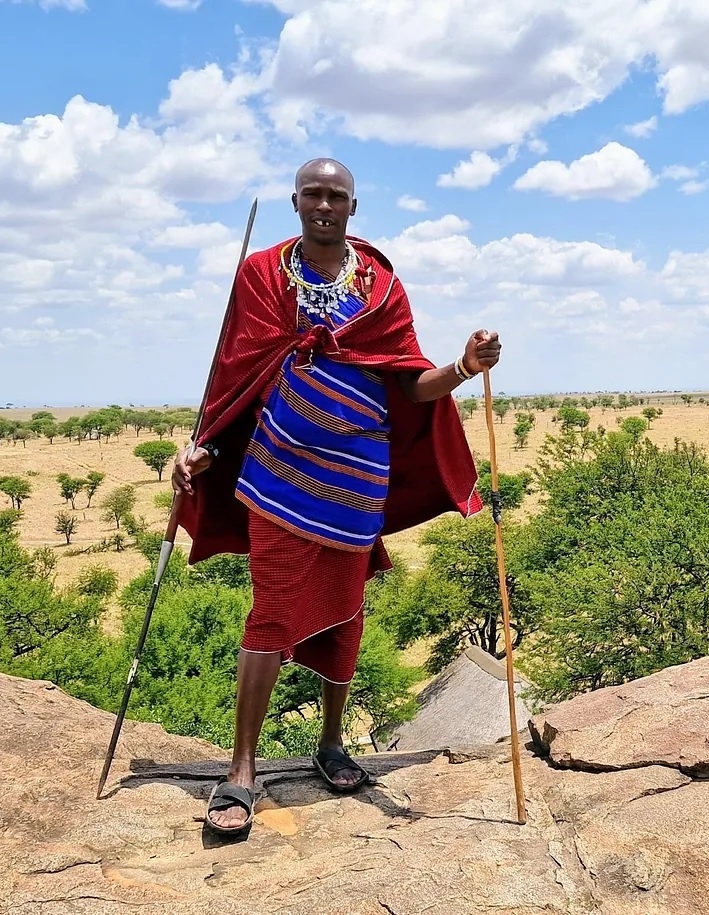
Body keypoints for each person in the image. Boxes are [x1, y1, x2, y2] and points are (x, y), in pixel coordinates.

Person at [172, 158, 500, 836]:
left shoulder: (380, 284)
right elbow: (236, 373)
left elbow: (410, 384)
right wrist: (201, 442)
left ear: (354, 206)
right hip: (278, 473)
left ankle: (330, 743)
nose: (325, 204)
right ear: (297, 201)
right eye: (315, 194)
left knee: (347, 610)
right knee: (271, 610)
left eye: (338, 196)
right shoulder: (261, 275)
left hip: (357, 477)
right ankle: (241, 770)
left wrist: (465, 367)